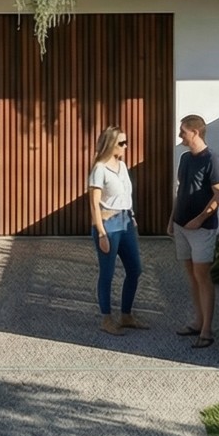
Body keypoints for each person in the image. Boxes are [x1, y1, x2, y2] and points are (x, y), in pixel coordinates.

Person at [170, 114, 219, 348]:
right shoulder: (184, 158)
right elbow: (180, 190)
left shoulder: (212, 159)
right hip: (181, 225)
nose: (180, 135)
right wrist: (172, 219)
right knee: (191, 276)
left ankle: (207, 330)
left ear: (195, 132)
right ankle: (197, 321)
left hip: (202, 229)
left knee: (203, 277)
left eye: (183, 131)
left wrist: (200, 218)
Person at [87, 125, 145, 336]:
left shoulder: (122, 166)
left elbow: (125, 195)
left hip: (126, 221)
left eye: (125, 142)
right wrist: (101, 233)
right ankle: (106, 319)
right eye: (121, 143)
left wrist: (132, 216)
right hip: (108, 224)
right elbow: (94, 204)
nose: (126, 146)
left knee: (135, 269)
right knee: (108, 273)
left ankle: (126, 315)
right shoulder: (99, 170)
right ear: (111, 144)